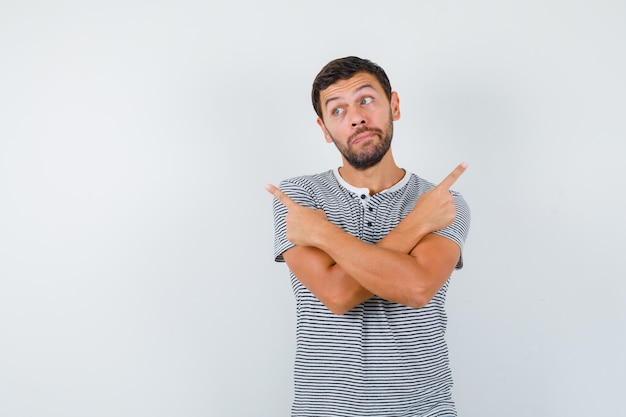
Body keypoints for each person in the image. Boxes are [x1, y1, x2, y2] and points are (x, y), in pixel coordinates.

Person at [265, 56, 471, 417]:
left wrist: (322, 233)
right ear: (325, 129)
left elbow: (417, 288)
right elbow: (338, 295)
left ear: (393, 105)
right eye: (338, 110)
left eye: (366, 100)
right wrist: (417, 225)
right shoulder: (299, 198)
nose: (356, 117)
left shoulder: (441, 202)